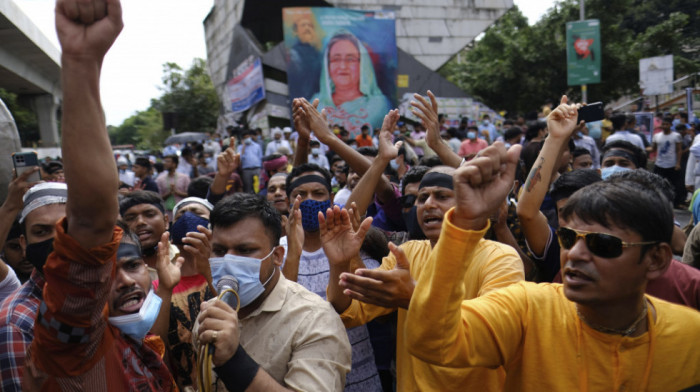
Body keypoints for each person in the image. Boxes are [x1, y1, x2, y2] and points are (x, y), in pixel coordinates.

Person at [405, 98, 700, 391]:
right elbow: (432, 341)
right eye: (568, 238)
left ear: (657, 259)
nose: (575, 254)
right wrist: (464, 224)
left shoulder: (690, 336)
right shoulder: (526, 308)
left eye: (603, 244)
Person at [20, 3, 178, 388]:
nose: (124, 281)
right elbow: (90, 222)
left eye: (132, 265)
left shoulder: (139, 347)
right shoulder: (70, 349)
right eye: (104, 272)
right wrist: (80, 61)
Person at [194, 193, 351, 391]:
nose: (228, 262)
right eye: (219, 250)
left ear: (277, 256)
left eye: (245, 250)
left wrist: (234, 360)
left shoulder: (314, 320)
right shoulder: (209, 312)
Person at [281, 163, 383, 391]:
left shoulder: (353, 243)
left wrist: (351, 256)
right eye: (300, 195)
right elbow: (279, 311)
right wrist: (293, 257)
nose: (309, 200)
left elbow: (373, 302)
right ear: (289, 201)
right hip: (302, 378)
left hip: (360, 373)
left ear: (331, 198)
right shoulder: (277, 253)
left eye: (318, 193)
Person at [0, 182, 66, 391]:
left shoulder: (106, 290)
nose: (56, 240)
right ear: (24, 243)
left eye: (66, 227)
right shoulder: (17, 323)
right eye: (41, 231)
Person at [313, 31, 391, 135]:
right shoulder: (316, 103)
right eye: (336, 59)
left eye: (350, 59)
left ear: (363, 64)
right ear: (327, 65)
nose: (343, 66)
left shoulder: (378, 105)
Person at [119, 190, 177, 280]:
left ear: (166, 221)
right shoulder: (120, 272)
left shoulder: (186, 257)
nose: (140, 222)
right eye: (130, 218)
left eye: (149, 215)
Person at [651, 117, 684, 207]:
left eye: (667, 124)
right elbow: (653, 148)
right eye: (663, 124)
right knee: (657, 183)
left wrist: (678, 163)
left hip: (672, 165)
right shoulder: (656, 136)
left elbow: (679, 150)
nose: (664, 126)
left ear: (670, 125)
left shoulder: (676, 136)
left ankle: (674, 203)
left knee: (673, 185)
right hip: (659, 164)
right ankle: (659, 201)